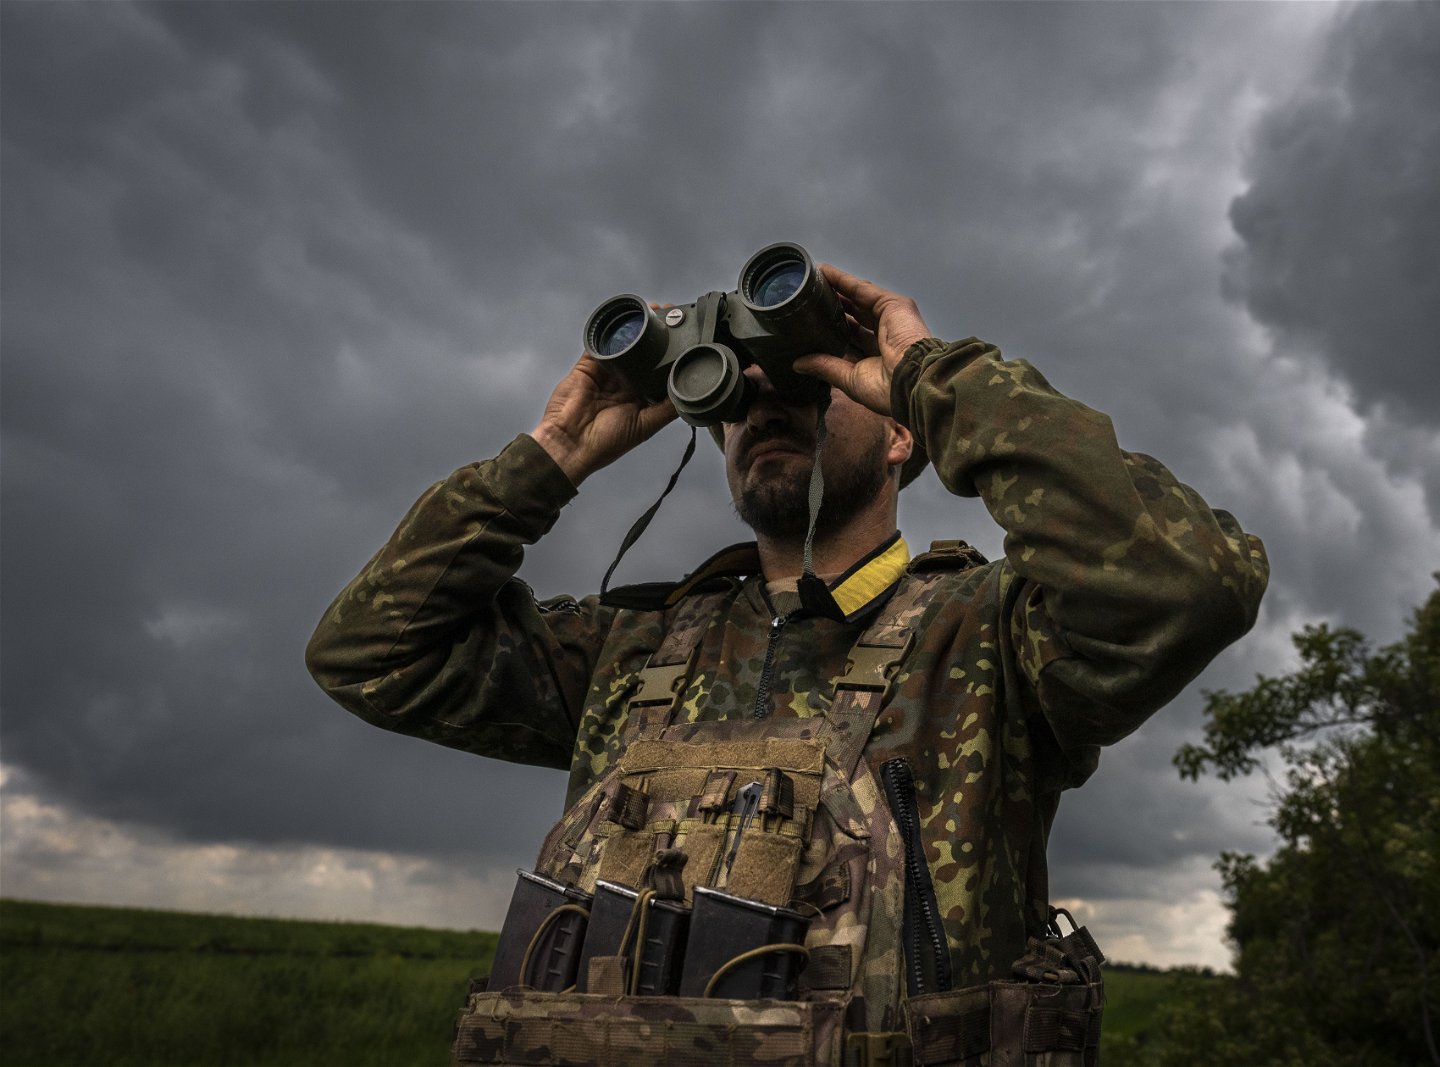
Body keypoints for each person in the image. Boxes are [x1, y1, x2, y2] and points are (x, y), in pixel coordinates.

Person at [306, 263, 1269, 1065]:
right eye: (738, 394)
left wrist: (938, 377)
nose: (762, 404)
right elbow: (368, 653)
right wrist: (551, 454)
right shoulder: (631, 649)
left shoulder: (989, 640)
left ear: (901, 434)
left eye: (808, 384)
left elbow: (1189, 582)